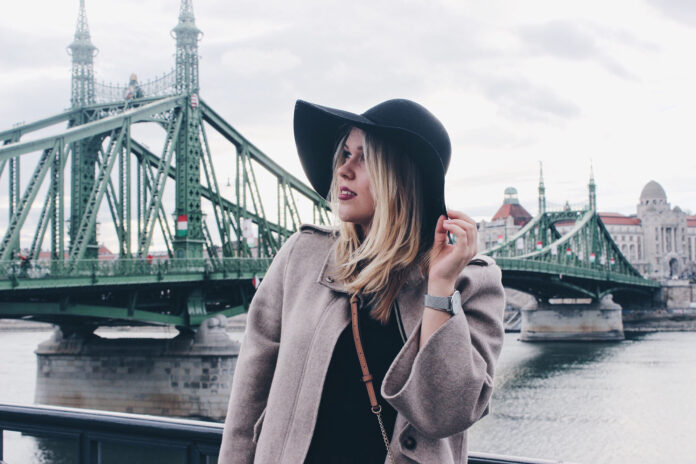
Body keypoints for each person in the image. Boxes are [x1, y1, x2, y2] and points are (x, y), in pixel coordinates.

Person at [219, 98, 505, 463]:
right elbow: (248, 402)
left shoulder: (471, 282)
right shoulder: (302, 256)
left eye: (365, 158)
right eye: (345, 154)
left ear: (402, 177)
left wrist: (440, 288)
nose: (343, 170)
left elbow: (444, 415)